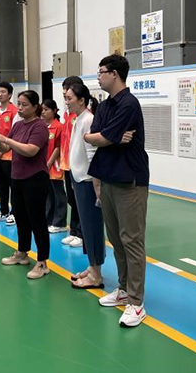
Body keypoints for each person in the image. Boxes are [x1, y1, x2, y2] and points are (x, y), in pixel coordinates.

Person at [84, 54, 149, 328]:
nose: (98, 77)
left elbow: (103, 137)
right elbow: (93, 136)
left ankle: (136, 301)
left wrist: (105, 138)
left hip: (130, 180)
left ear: (114, 74)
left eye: (101, 72)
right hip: (109, 178)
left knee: (132, 240)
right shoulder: (104, 105)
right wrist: (107, 138)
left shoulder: (129, 104)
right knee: (116, 239)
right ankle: (123, 289)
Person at [0, 91, 51, 280]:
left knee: (37, 220)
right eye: (19, 104)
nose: (20, 108)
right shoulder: (18, 125)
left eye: (24, 105)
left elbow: (31, 150)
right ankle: (22, 253)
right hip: (18, 177)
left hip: (35, 179)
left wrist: (6, 139)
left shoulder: (39, 127)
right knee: (21, 217)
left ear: (35, 106)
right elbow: (7, 148)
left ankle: (42, 262)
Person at [64, 84, 105, 289]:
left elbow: (92, 154)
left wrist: (96, 185)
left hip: (88, 182)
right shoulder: (78, 119)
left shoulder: (88, 120)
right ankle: (92, 266)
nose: (66, 102)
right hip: (80, 180)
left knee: (93, 228)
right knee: (87, 229)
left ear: (81, 100)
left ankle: (96, 275)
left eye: (70, 98)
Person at [59, 76, 84, 248]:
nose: (66, 100)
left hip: (78, 165)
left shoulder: (84, 115)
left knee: (80, 200)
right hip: (67, 163)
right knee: (72, 200)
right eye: (64, 97)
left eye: (68, 97)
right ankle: (74, 231)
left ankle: (82, 233)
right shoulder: (67, 114)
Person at [0, 82, 18, 225]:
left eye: (3, 92)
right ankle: (3, 210)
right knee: (0, 185)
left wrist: (4, 148)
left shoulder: (14, 112)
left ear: (10, 95)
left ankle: (15, 212)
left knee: (13, 186)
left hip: (9, 156)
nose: (0, 94)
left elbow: (15, 135)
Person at [41, 99, 68, 233]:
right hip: (43, 165)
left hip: (54, 166)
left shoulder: (59, 127)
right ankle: (48, 220)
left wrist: (49, 162)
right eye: (42, 109)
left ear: (54, 111)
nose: (43, 112)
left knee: (58, 195)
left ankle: (60, 222)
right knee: (48, 194)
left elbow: (58, 147)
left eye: (46, 110)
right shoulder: (42, 126)